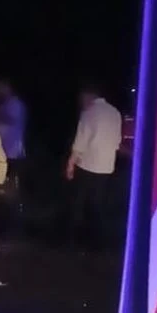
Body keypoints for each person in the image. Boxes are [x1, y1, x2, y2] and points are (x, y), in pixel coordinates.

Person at [65, 81, 123, 250]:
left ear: (88, 96)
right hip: (106, 166)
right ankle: (97, 241)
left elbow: (80, 142)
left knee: (78, 203)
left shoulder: (89, 112)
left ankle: (73, 240)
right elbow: (117, 142)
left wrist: (70, 165)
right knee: (97, 204)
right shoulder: (115, 113)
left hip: (88, 164)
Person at [0, 79, 27, 232]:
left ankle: (12, 221)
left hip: (12, 153)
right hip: (3, 151)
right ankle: (3, 219)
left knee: (9, 187)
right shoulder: (5, 105)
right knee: (2, 186)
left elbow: (10, 120)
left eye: (0, 86)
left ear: (7, 87)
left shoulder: (15, 105)